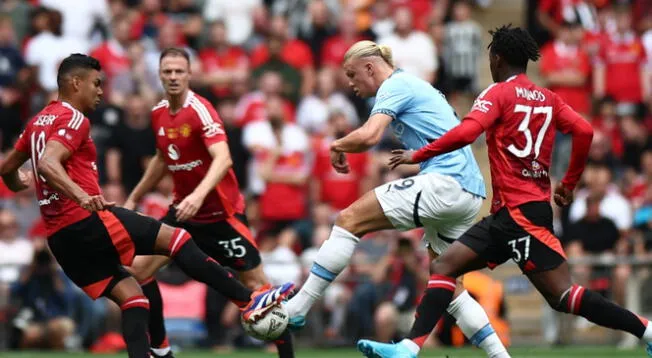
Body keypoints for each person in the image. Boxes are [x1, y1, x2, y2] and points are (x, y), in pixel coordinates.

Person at [357, 24, 652, 358]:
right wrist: (568, 184)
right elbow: (584, 130)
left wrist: (421, 153)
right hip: (514, 213)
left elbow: (468, 132)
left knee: (564, 296)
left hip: (519, 215)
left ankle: (647, 330)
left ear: (497, 58)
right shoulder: (548, 98)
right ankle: (410, 348)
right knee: (444, 267)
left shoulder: (497, 94)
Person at [0, 54, 294, 358]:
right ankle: (249, 301)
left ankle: (158, 351)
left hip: (60, 239)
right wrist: (81, 196)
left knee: (133, 298)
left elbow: (7, 167)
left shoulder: (35, 123)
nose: (101, 91)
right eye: (96, 84)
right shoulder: (74, 117)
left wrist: (18, 182)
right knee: (178, 239)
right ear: (76, 83)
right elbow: (48, 162)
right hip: (87, 220)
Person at [283, 40, 509, 358]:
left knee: (348, 220)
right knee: (448, 283)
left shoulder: (395, 85)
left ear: (370, 68)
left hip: (446, 184)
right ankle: (501, 356)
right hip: (469, 192)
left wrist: (336, 145)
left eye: (352, 74)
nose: (350, 83)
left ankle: (298, 307)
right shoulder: (415, 86)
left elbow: (370, 135)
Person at [123, 47, 296, 358]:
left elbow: (224, 159)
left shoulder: (202, 110)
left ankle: (287, 355)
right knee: (139, 271)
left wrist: (198, 196)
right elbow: (163, 158)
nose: (173, 77)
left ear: (189, 75)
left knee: (259, 287)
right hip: (183, 213)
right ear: (160, 75)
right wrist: (135, 195)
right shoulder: (158, 112)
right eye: (168, 72)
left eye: (179, 71)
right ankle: (162, 350)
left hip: (220, 214)